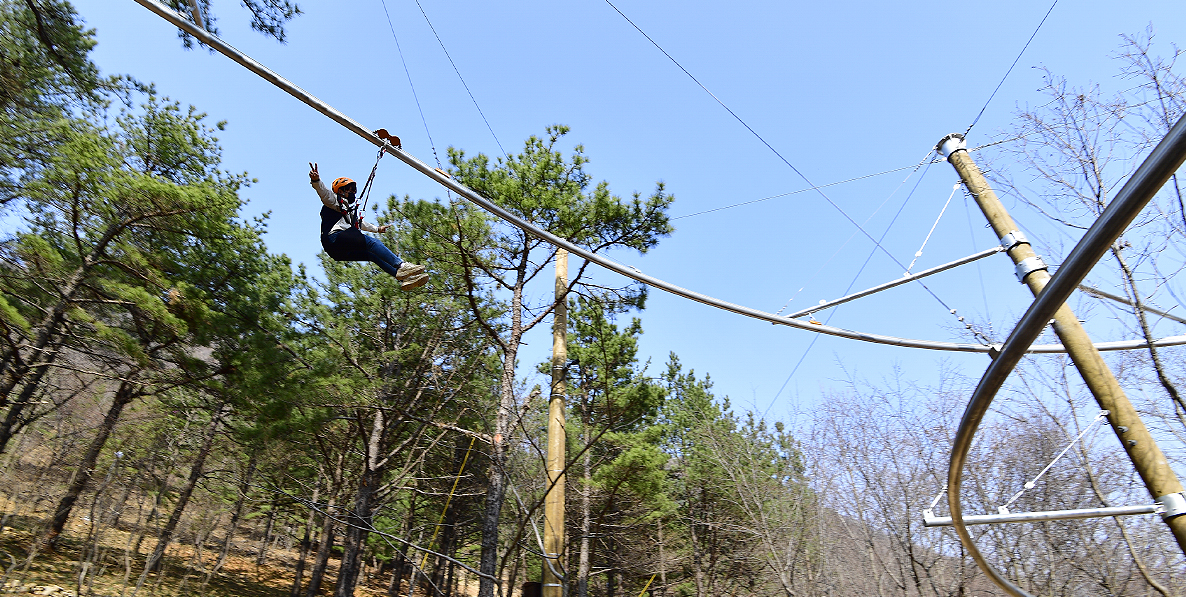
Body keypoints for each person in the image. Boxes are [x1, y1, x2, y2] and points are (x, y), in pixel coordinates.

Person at [309, 162, 428, 290]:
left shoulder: (349, 210)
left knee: (371, 255)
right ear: (341, 191)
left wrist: (377, 229)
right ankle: (401, 266)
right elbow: (324, 193)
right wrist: (316, 181)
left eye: (353, 190)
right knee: (371, 242)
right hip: (335, 238)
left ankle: (404, 278)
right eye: (349, 189)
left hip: (336, 251)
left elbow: (359, 223)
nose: (352, 192)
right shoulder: (334, 200)